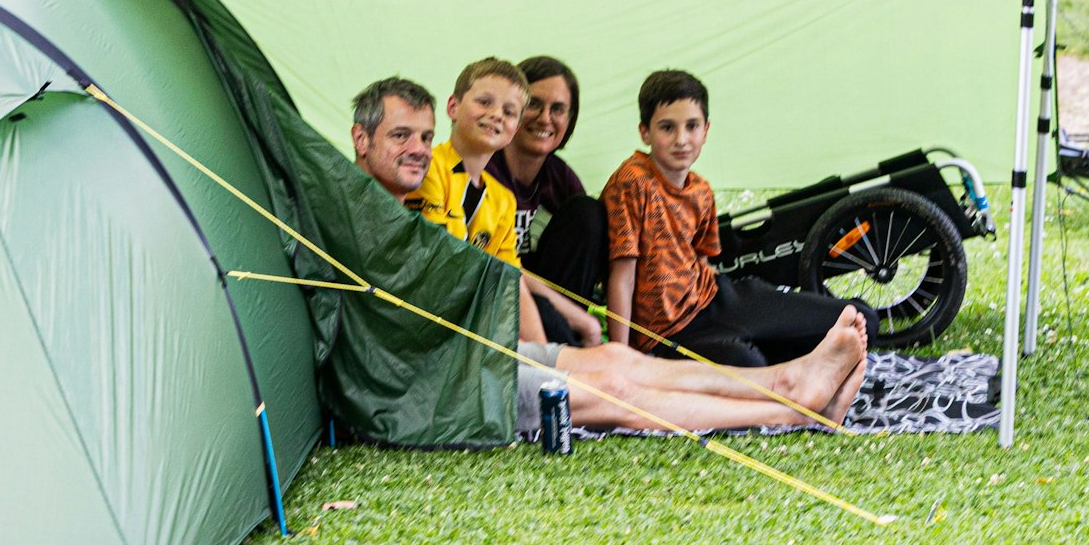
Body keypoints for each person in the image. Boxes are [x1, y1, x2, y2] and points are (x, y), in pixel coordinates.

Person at [350, 76, 869, 438]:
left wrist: (550, 342)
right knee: (615, 389)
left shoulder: (439, 205)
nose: (417, 148)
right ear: (360, 139)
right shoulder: (356, 214)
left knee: (617, 361)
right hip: (444, 386)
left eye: (422, 137)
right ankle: (789, 413)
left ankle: (790, 383)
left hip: (482, 352)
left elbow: (500, 277)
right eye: (400, 136)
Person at [604, 69, 878, 367]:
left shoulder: (701, 190)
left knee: (863, 320)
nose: (681, 139)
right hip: (670, 334)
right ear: (645, 132)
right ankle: (785, 369)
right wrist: (620, 360)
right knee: (748, 363)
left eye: (692, 126)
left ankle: (789, 366)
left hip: (722, 299)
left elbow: (702, 262)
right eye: (667, 127)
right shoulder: (632, 181)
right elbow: (622, 275)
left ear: (706, 130)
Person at [404, 58, 547, 342]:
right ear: (452, 107)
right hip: (432, 324)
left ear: (515, 128)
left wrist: (543, 353)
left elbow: (510, 282)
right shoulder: (428, 168)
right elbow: (439, 258)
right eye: (484, 102)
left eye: (509, 112)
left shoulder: (503, 199)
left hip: (480, 325)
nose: (496, 114)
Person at [486, 55, 608, 347]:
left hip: (553, 302)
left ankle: (567, 339)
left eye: (558, 109)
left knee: (588, 213)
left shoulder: (561, 178)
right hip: (497, 298)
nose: (545, 118)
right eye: (534, 104)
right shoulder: (484, 168)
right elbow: (495, 267)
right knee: (544, 316)